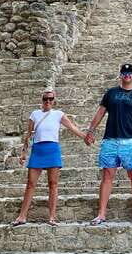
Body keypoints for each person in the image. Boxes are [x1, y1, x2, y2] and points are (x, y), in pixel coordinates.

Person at [84, 63, 132, 225]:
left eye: (130, 72)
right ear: (120, 75)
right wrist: (90, 131)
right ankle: (101, 214)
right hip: (111, 140)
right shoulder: (111, 93)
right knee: (107, 176)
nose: (127, 75)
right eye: (124, 72)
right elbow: (100, 113)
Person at [11, 89, 87, 227]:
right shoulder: (35, 114)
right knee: (30, 184)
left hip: (52, 149)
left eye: (50, 99)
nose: (48, 101)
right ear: (42, 100)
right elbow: (29, 135)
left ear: (54, 101)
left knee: (53, 184)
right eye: (45, 99)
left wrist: (85, 137)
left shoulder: (58, 114)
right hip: (38, 150)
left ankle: (52, 217)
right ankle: (22, 216)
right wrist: (23, 153)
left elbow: (72, 127)